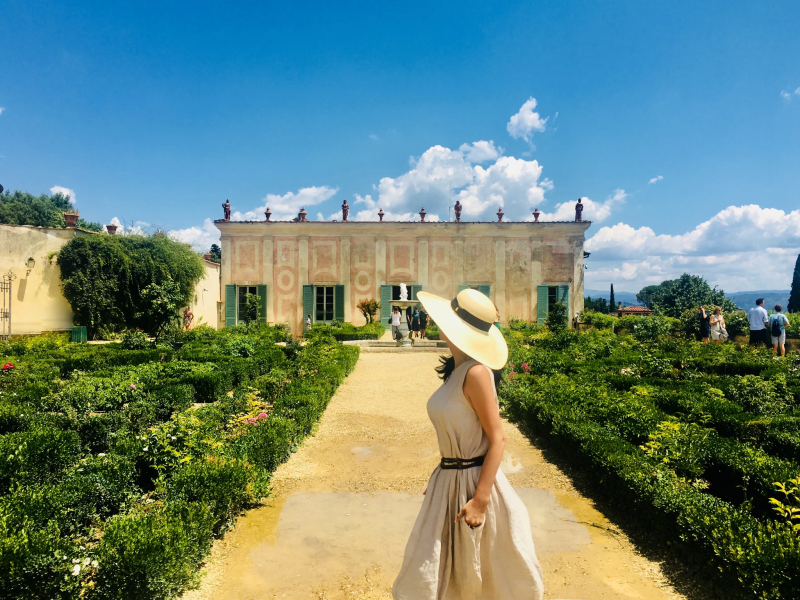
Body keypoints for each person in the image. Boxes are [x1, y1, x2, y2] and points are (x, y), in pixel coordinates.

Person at [392, 288, 544, 600]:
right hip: (450, 480)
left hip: (473, 485)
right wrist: (443, 473)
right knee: (444, 564)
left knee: (477, 568)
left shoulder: (476, 373)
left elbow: (498, 437)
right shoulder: (457, 370)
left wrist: (481, 499)